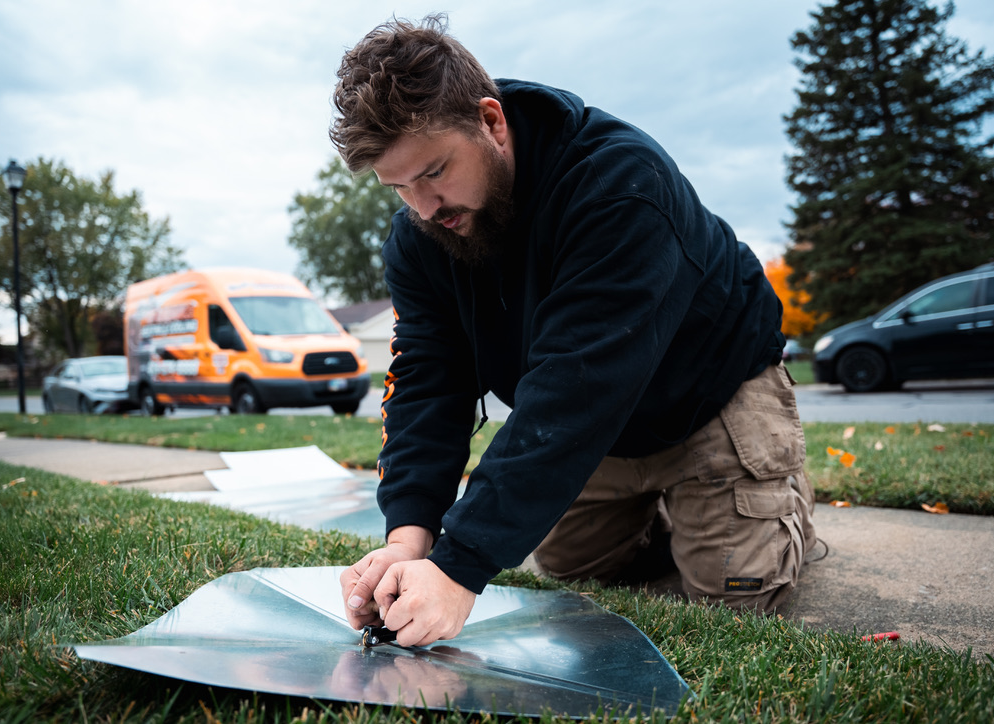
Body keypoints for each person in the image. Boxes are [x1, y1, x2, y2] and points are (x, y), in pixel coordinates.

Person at [331, 15, 815, 647]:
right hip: (604, 430)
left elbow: (575, 386)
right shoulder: (423, 236)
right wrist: (411, 536)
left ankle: (775, 499)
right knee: (572, 567)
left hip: (712, 398)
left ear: (492, 122)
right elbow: (429, 376)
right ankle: (674, 513)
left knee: (737, 598)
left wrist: (459, 567)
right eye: (399, 188)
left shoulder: (621, 187)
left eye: (434, 172)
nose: (423, 206)